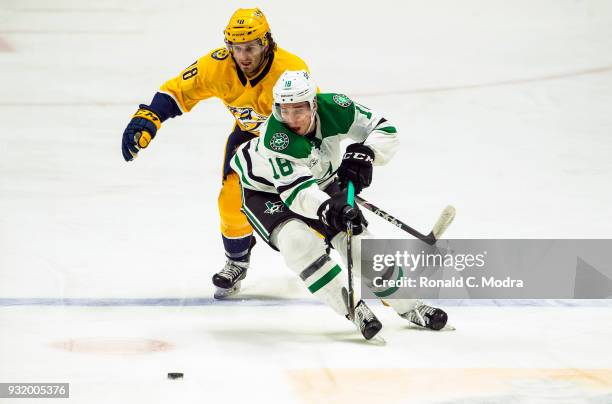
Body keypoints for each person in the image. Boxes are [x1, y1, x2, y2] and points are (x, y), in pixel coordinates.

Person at [230, 70, 448, 339]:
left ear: (313, 104)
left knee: (357, 241)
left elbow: (384, 129)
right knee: (298, 243)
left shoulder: (336, 108)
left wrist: (366, 153)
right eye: (283, 110)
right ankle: (352, 308)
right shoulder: (275, 139)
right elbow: (297, 193)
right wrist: (329, 208)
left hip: (318, 180)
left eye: (298, 109)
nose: (291, 118)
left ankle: (411, 306)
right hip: (266, 191)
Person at [120, 8, 313, 298]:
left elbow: (310, 119)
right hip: (249, 141)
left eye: (251, 47)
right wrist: (150, 117)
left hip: (293, 143)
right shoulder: (217, 66)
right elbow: (177, 91)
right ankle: (237, 261)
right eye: (236, 48)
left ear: (267, 43)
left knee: (314, 205)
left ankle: (344, 256)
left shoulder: (291, 70)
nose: (244, 56)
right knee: (230, 199)